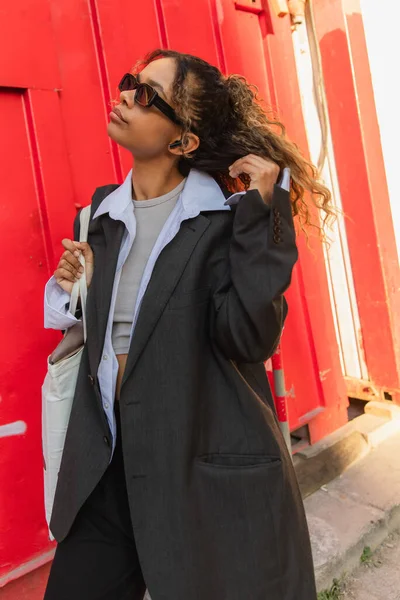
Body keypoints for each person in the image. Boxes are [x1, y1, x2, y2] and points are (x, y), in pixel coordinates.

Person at [43, 49, 332, 600]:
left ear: (183, 141)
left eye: (147, 94)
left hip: (198, 469)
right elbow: (83, 327)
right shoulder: (101, 214)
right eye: (131, 82)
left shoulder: (226, 220)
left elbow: (248, 336)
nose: (125, 94)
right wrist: (72, 283)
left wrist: (267, 211)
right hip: (108, 470)